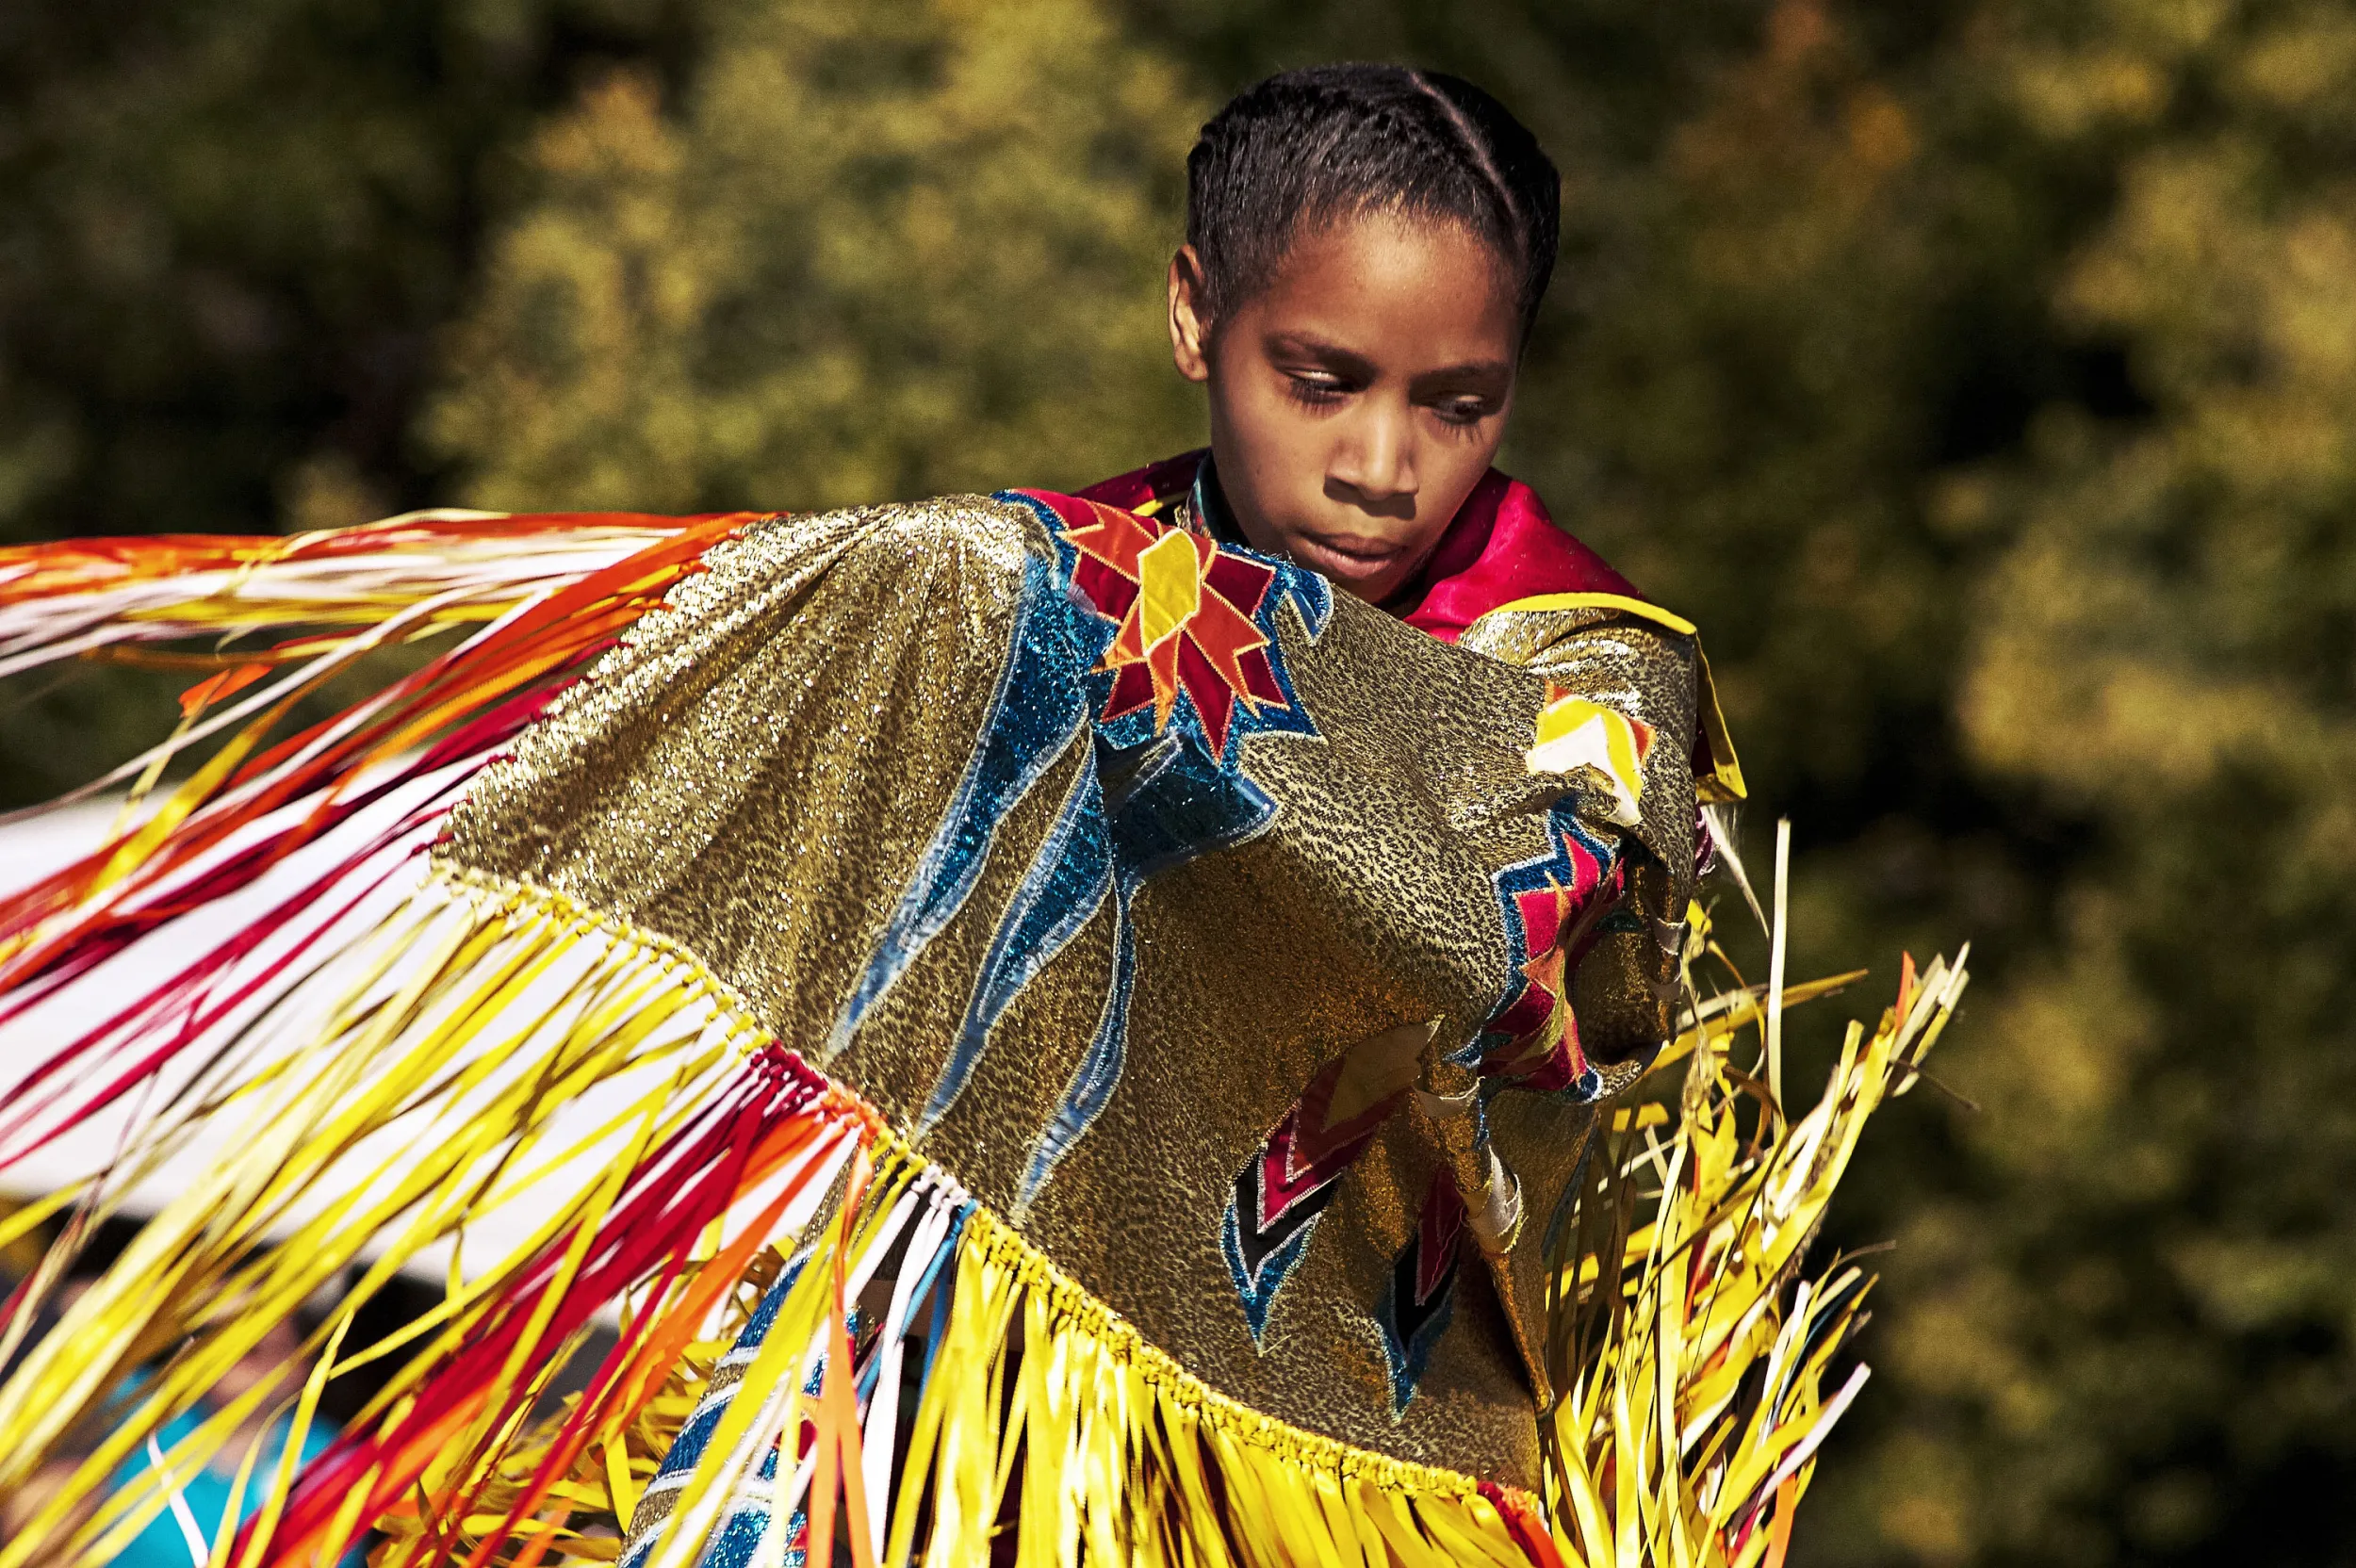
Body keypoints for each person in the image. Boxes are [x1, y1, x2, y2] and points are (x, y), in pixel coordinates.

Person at [0, 63, 1781, 1568]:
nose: (1384, 466)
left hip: (1379, 1474)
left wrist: (1041, 625)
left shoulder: (1588, 674)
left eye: (1456, 404)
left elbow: (1514, 947)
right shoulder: (1046, 590)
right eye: (1321, 379)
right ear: (1193, 316)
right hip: (959, 1425)